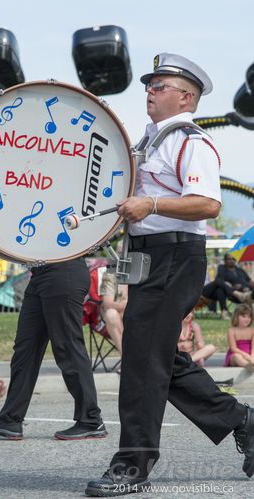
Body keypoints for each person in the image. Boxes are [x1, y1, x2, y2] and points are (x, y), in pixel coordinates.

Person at [85, 53, 254, 497]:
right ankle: (243, 421)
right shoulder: (147, 141)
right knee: (154, 354)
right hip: (148, 254)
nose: (149, 91)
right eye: (149, 85)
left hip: (174, 255)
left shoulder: (189, 141)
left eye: (159, 85)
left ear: (186, 96)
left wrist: (151, 205)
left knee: (143, 360)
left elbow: (208, 204)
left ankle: (132, 465)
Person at [0, 258, 107, 440]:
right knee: (25, 348)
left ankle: (91, 420)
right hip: (39, 273)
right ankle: (10, 419)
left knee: (67, 347)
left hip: (63, 270)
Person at [202, 253, 254, 319]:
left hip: (239, 293)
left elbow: (249, 281)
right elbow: (218, 281)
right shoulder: (222, 268)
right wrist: (230, 286)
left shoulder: (240, 270)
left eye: (233, 259)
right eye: (229, 259)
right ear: (225, 260)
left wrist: (246, 287)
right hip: (207, 292)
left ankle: (224, 313)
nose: (231, 260)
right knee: (218, 282)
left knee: (220, 290)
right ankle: (235, 293)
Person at [99, 271, 128, 355]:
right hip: (118, 315)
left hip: (137, 314)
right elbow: (108, 304)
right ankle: (126, 358)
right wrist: (124, 305)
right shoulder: (111, 275)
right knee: (111, 314)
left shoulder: (145, 272)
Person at [225, 303, 254, 369]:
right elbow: (233, 348)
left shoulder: (252, 331)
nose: (247, 319)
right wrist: (245, 355)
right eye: (244, 316)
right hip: (237, 354)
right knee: (236, 357)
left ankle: (251, 363)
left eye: (249, 317)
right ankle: (248, 365)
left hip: (250, 355)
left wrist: (252, 356)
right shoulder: (232, 331)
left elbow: (253, 348)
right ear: (236, 317)